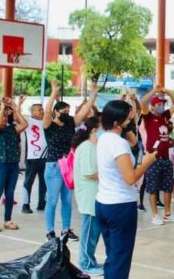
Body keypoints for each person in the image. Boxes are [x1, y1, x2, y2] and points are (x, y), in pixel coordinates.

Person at [96, 99, 157, 279]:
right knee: (120, 258)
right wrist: (146, 163)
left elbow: (133, 141)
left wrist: (129, 121)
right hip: (120, 206)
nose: (131, 118)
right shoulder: (117, 143)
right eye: (127, 116)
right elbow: (130, 178)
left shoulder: (103, 138)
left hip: (103, 203)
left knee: (113, 255)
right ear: (117, 122)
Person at [43, 78, 95, 241]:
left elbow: (85, 111)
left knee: (67, 199)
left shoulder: (71, 123)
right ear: (56, 112)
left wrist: (93, 93)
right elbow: (46, 112)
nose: (67, 114)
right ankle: (50, 232)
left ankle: (66, 230)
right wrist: (53, 92)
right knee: (52, 200)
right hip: (54, 165)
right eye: (64, 112)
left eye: (68, 111)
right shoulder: (49, 125)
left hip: (69, 167)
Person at [140, 86, 174, 225]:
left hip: (166, 157)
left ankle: (168, 213)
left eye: (162, 104)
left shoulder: (165, 116)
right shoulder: (148, 117)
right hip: (153, 158)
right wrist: (153, 92)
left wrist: (167, 91)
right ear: (153, 106)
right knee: (153, 187)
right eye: (158, 104)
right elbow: (143, 103)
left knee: (168, 186)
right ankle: (155, 215)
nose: (161, 106)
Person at [0, 96, 28, 232]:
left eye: (5, 116)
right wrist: (3, 106)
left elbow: (24, 124)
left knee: (9, 193)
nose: (4, 119)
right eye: (1, 116)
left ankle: (8, 220)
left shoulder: (11, 128)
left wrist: (15, 108)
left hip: (12, 164)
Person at [73, 116, 104, 277]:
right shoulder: (86, 147)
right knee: (89, 233)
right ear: (94, 130)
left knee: (94, 232)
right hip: (89, 195)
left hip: (96, 194)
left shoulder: (96, 146)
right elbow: (89, 172)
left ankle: (90, 260)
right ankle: (85, 263)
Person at [22, 103, 48, 213]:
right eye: (39, 110)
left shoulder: (46, 121)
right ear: (32, 112)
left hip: (45, 156)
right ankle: (25, 204)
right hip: (32, 157)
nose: (41, 111)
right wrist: (19, 103)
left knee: (44, 181)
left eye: (42, 109)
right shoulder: (28, 121)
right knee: (29, 181)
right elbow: (16, 116)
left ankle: (42, 203)